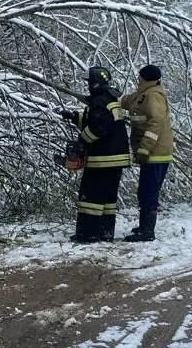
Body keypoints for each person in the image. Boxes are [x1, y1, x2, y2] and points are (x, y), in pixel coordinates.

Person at [59, 66, 131, 243]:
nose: (88, 86)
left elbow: (98, 128)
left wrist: (81, 141)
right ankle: (105, 233)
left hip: (103, 160)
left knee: (90, 197)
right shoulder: (109, 99)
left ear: (95, 83)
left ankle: (87, 234)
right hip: (115, 160)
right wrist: (75, 117)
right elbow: (99, 120)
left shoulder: (99, 100)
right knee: (107, 200)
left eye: (89, 82)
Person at [119, 64, 173, 242]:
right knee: (144, 192)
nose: (137, 78)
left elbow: (155, 122)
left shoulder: (153, 96)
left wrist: (144, 148)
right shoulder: (143, 94)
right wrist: (112, 97)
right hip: (152, 154)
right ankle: (144, 226)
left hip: (155, 154)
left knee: (149, 193)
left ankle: (147, 231)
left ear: (145, 78)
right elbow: (128, 102)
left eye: (140, 76)